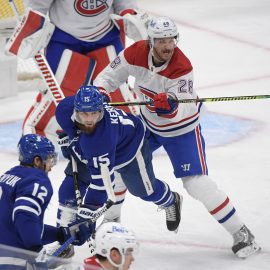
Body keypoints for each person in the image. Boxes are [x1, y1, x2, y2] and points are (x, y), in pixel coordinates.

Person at [93, 16, 261, 258]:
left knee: (197, 183)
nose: (168, 46)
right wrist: (100, 91)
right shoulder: (135, 53)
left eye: (171, 39)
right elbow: (108, 76)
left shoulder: (182, 67)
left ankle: (241, 232)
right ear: (150, 42)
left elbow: (179, 112)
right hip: (148, 125)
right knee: (121, 166)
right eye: (161, 40)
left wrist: (169, 106)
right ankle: (111, 224)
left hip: (181, 129)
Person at [55, 85, 182, 234]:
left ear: (101, 110)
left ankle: (171, 200)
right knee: (81, 182)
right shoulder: (64, 110)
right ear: (75, 110)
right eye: (84, 114)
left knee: (145, 191)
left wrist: (90, 210)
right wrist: (73, 138)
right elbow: (75, 132)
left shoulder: (102, 138)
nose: (90, 120)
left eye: (94, 113)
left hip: (130, 149)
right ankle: (102, 222)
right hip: (102, 146)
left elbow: (101, 185)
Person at [0, 134, 92, 269]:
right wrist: (36, 251)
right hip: (11, 261)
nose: (51, 166)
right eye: (49, 159)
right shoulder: (37, 179)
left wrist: (59, 234)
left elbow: (16, 226)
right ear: (37, 161)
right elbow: (24, 215)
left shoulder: (9, 175)